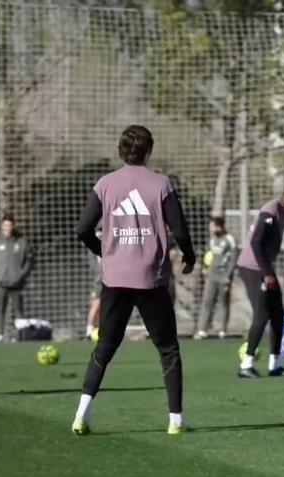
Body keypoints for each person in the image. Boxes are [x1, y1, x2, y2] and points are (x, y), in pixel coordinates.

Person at [72, 125, 195, 435]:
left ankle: (80, 416)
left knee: (104, 347)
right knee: (167, 349)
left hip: (114, 280)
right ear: (149, 150)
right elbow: (179, 230)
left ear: (121, 150)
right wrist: (190, 256)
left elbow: (83, 228)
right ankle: (175, 422)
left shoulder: (105, 184)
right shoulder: (161, 184)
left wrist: (105, 252)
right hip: (151, 279)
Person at [235, 178, 284, 378]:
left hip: (264, 268)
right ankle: (246, 365)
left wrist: (268, 270)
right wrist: (267, 274)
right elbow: (256, 243)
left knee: (278, 313)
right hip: (252, 267)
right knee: (262, 313)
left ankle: (274, 365)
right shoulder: (271, 209)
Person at [0, 214, 34, 343]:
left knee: (18, 309)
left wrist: (22, 274)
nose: (8, 227)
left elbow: (29, 259)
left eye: (10, 225)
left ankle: (19, 335)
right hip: (1, 282)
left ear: (13, 225)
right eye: (5, 225)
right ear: (2, 226)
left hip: (17, 282)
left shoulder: (21, 241)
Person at [196, 216, 238, 339]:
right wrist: (205, 267)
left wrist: (228, 276)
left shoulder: (230, 239)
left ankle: (222, 330)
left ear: (219, 226)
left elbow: (233, 258)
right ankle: (203, 329)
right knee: (207, 301)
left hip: (224, 276)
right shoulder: (212, 240)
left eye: (212, 226)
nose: (211, 229)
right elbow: (209, 255)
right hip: (212, 275)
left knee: (223, 303)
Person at [85, 229, 102, 340]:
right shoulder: (96, 239)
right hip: (101, 278)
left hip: (111, 275)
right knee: (96, 304)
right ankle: (89, 331)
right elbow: (93, 263)